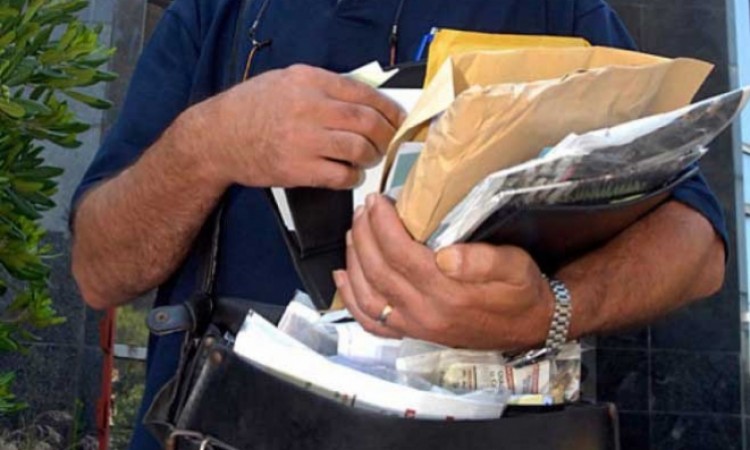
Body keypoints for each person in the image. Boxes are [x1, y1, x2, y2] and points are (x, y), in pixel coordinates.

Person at [70, 0, 727, 448]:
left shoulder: (559, 11)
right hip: (226, 424)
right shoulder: (218, 13)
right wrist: (208, 143)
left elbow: (697, 245)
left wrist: (549, 312)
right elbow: (99, 271)